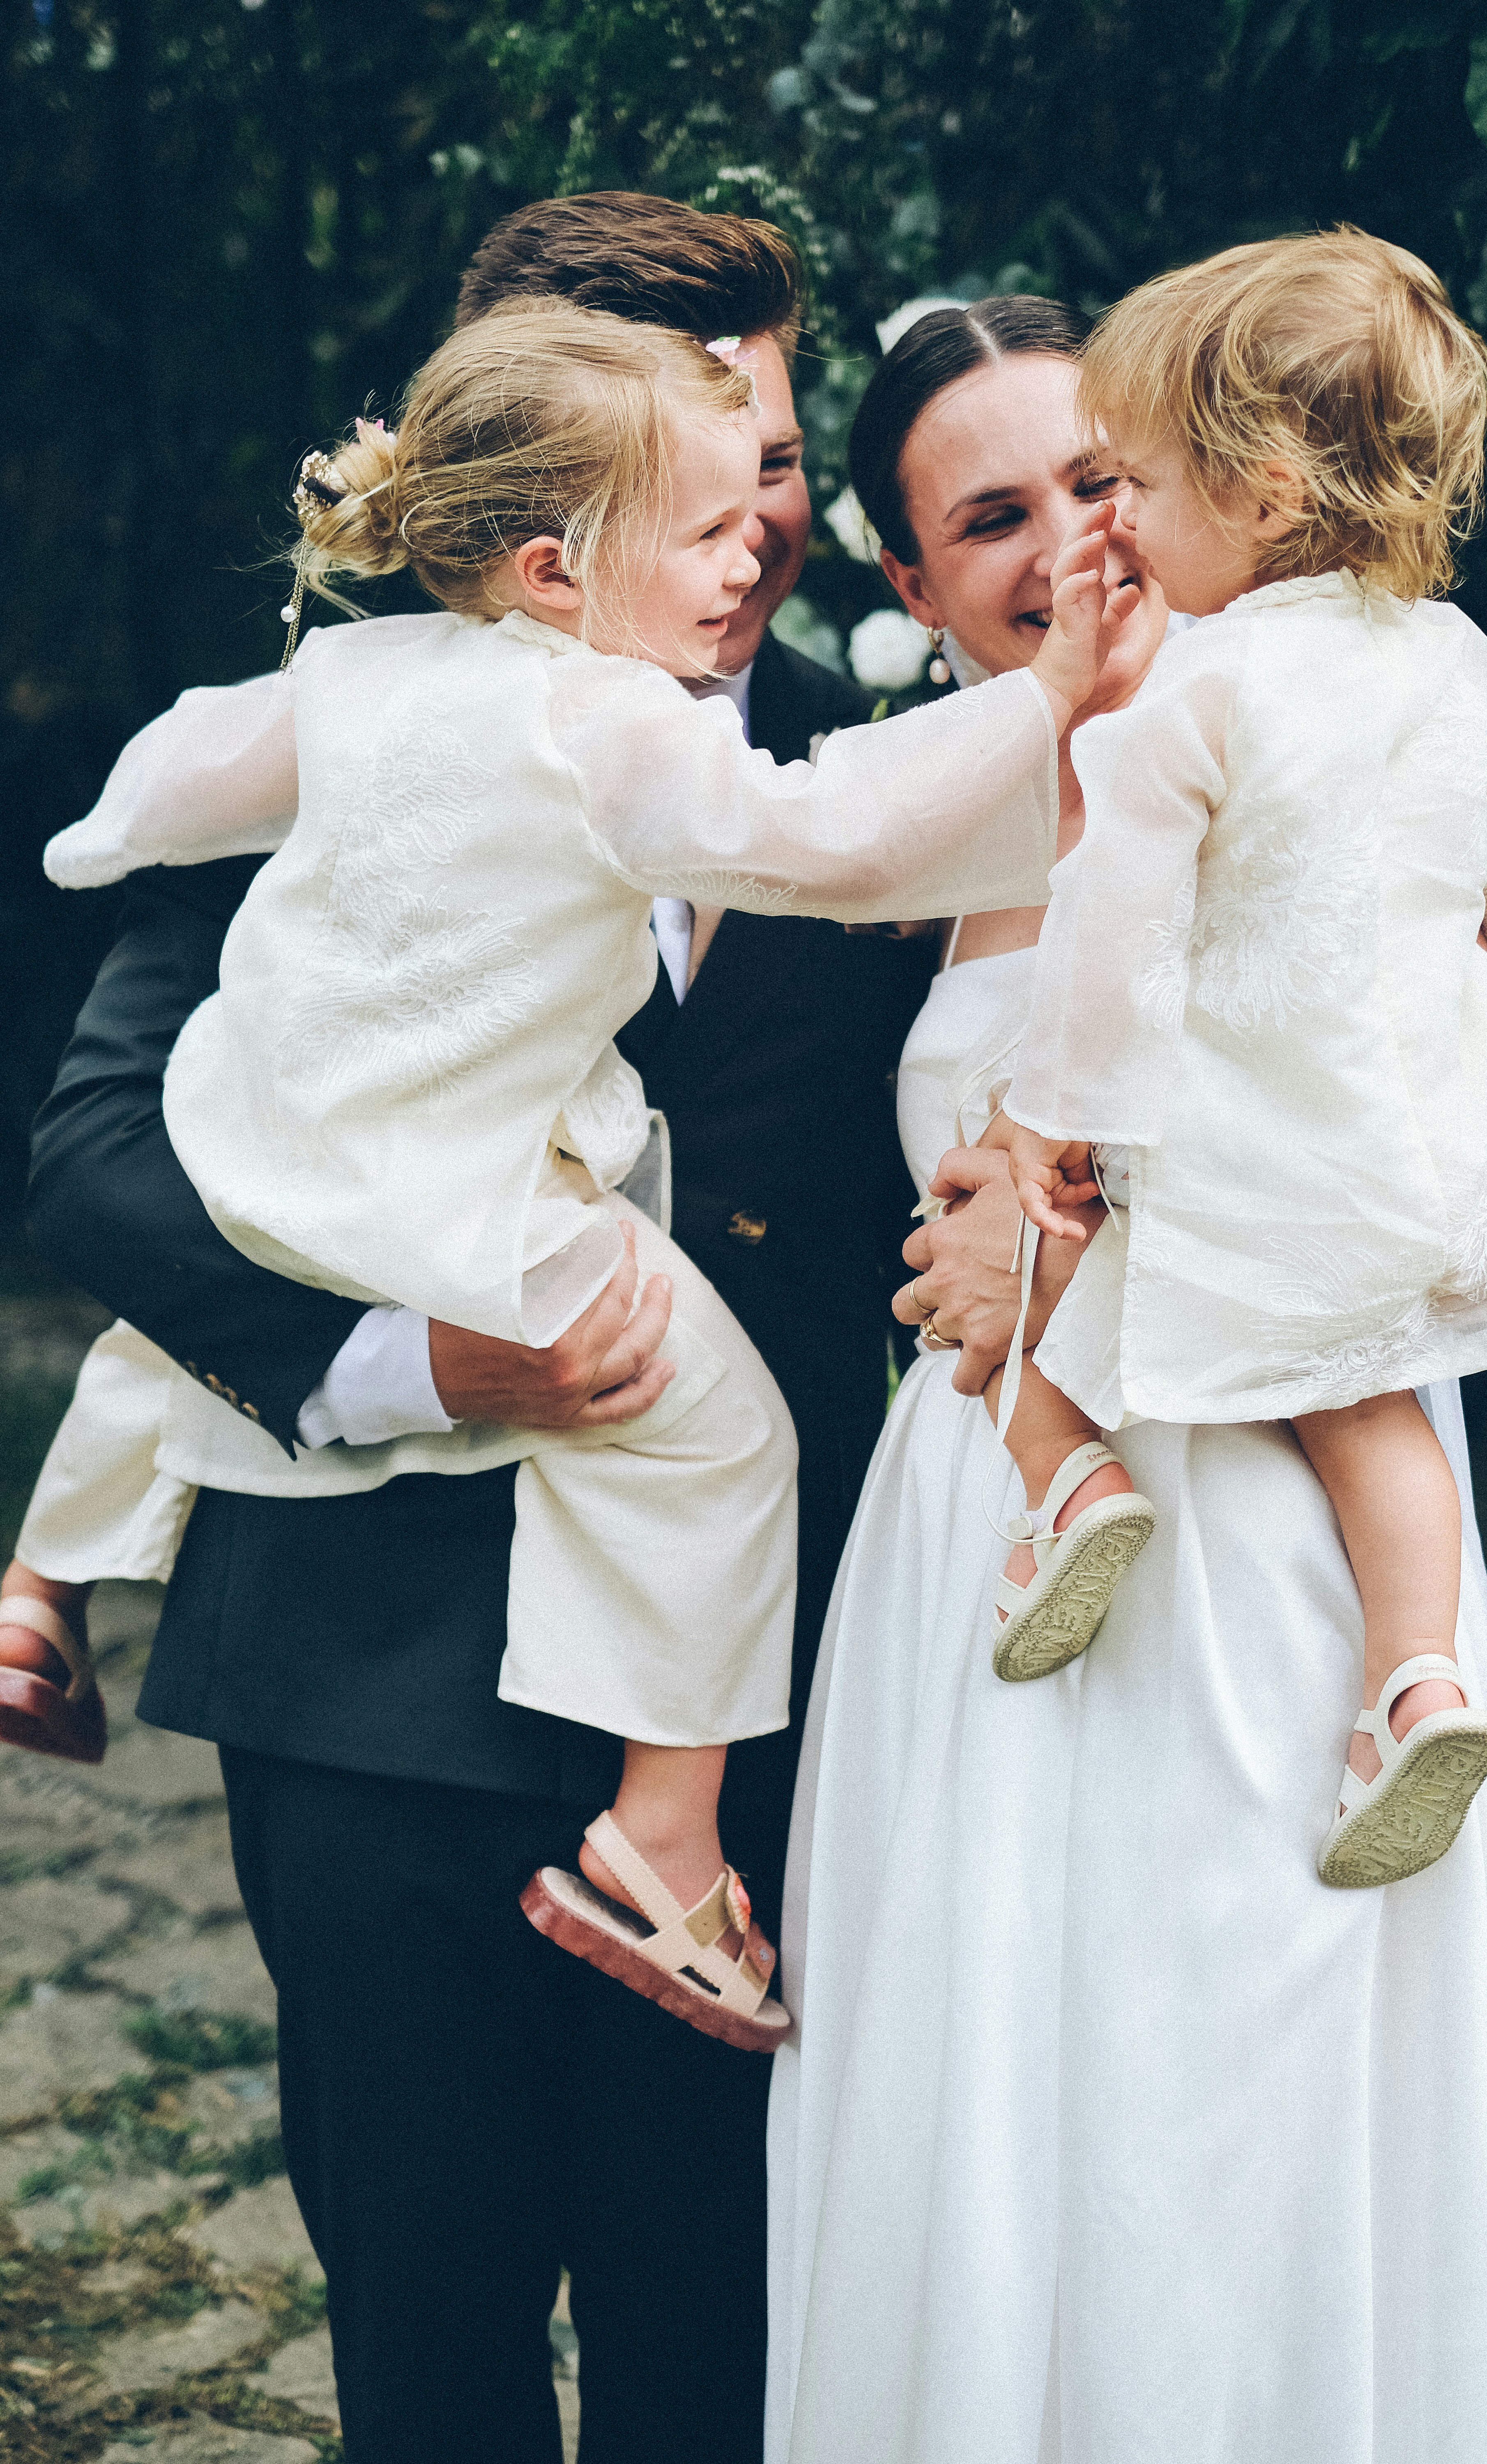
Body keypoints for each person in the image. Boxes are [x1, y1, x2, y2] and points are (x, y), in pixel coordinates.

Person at [8, 196, 929, 2464]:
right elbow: (103, 1156)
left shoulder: (866, 777)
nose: (762, 518)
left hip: (755, 1711)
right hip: (366, 1669)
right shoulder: (370, 722)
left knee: (728, 2313)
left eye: (784, 458)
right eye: (703, 458)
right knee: (426, 2325)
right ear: (532, 490)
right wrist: (410, 1366)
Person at [767, 296, 1487, 2463]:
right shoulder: (932, 824)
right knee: (1004, 2085)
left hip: (1272, 1515)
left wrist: (1086, 1216)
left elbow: (1405, 1019)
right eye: (996, 516)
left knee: (1260, 2056)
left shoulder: (1311, 731)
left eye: (1098, 473)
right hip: (991, 1532)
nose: (1076, 532)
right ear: (916, 588)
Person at [36, 295, 1100, 2047]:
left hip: (285, 1140)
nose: (751, 545)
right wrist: (1045, 695)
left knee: (162, 1351)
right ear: (551, 564)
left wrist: (99, 834)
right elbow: (822, 835)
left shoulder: (358, 673)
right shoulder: (627, 727)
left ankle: (44, 1581)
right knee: (724, 1432)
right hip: (476, 1227)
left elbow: (186, 763)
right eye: (706, 520)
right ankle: (660, 1832)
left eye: (766, 487)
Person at [990, 232, 1487, 1897]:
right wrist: (1468, 989)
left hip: (1237, 1128)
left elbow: (1109, 931)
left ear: (1265, 492)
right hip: (1403, 1129)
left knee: (1052, 1329)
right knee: (1372, 1410)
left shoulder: (1195, 694)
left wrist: (1056, 1118)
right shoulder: (1458, 664)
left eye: (1129, 481)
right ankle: (1414, 1681)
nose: (1106, 518)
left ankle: (1068, 1487)